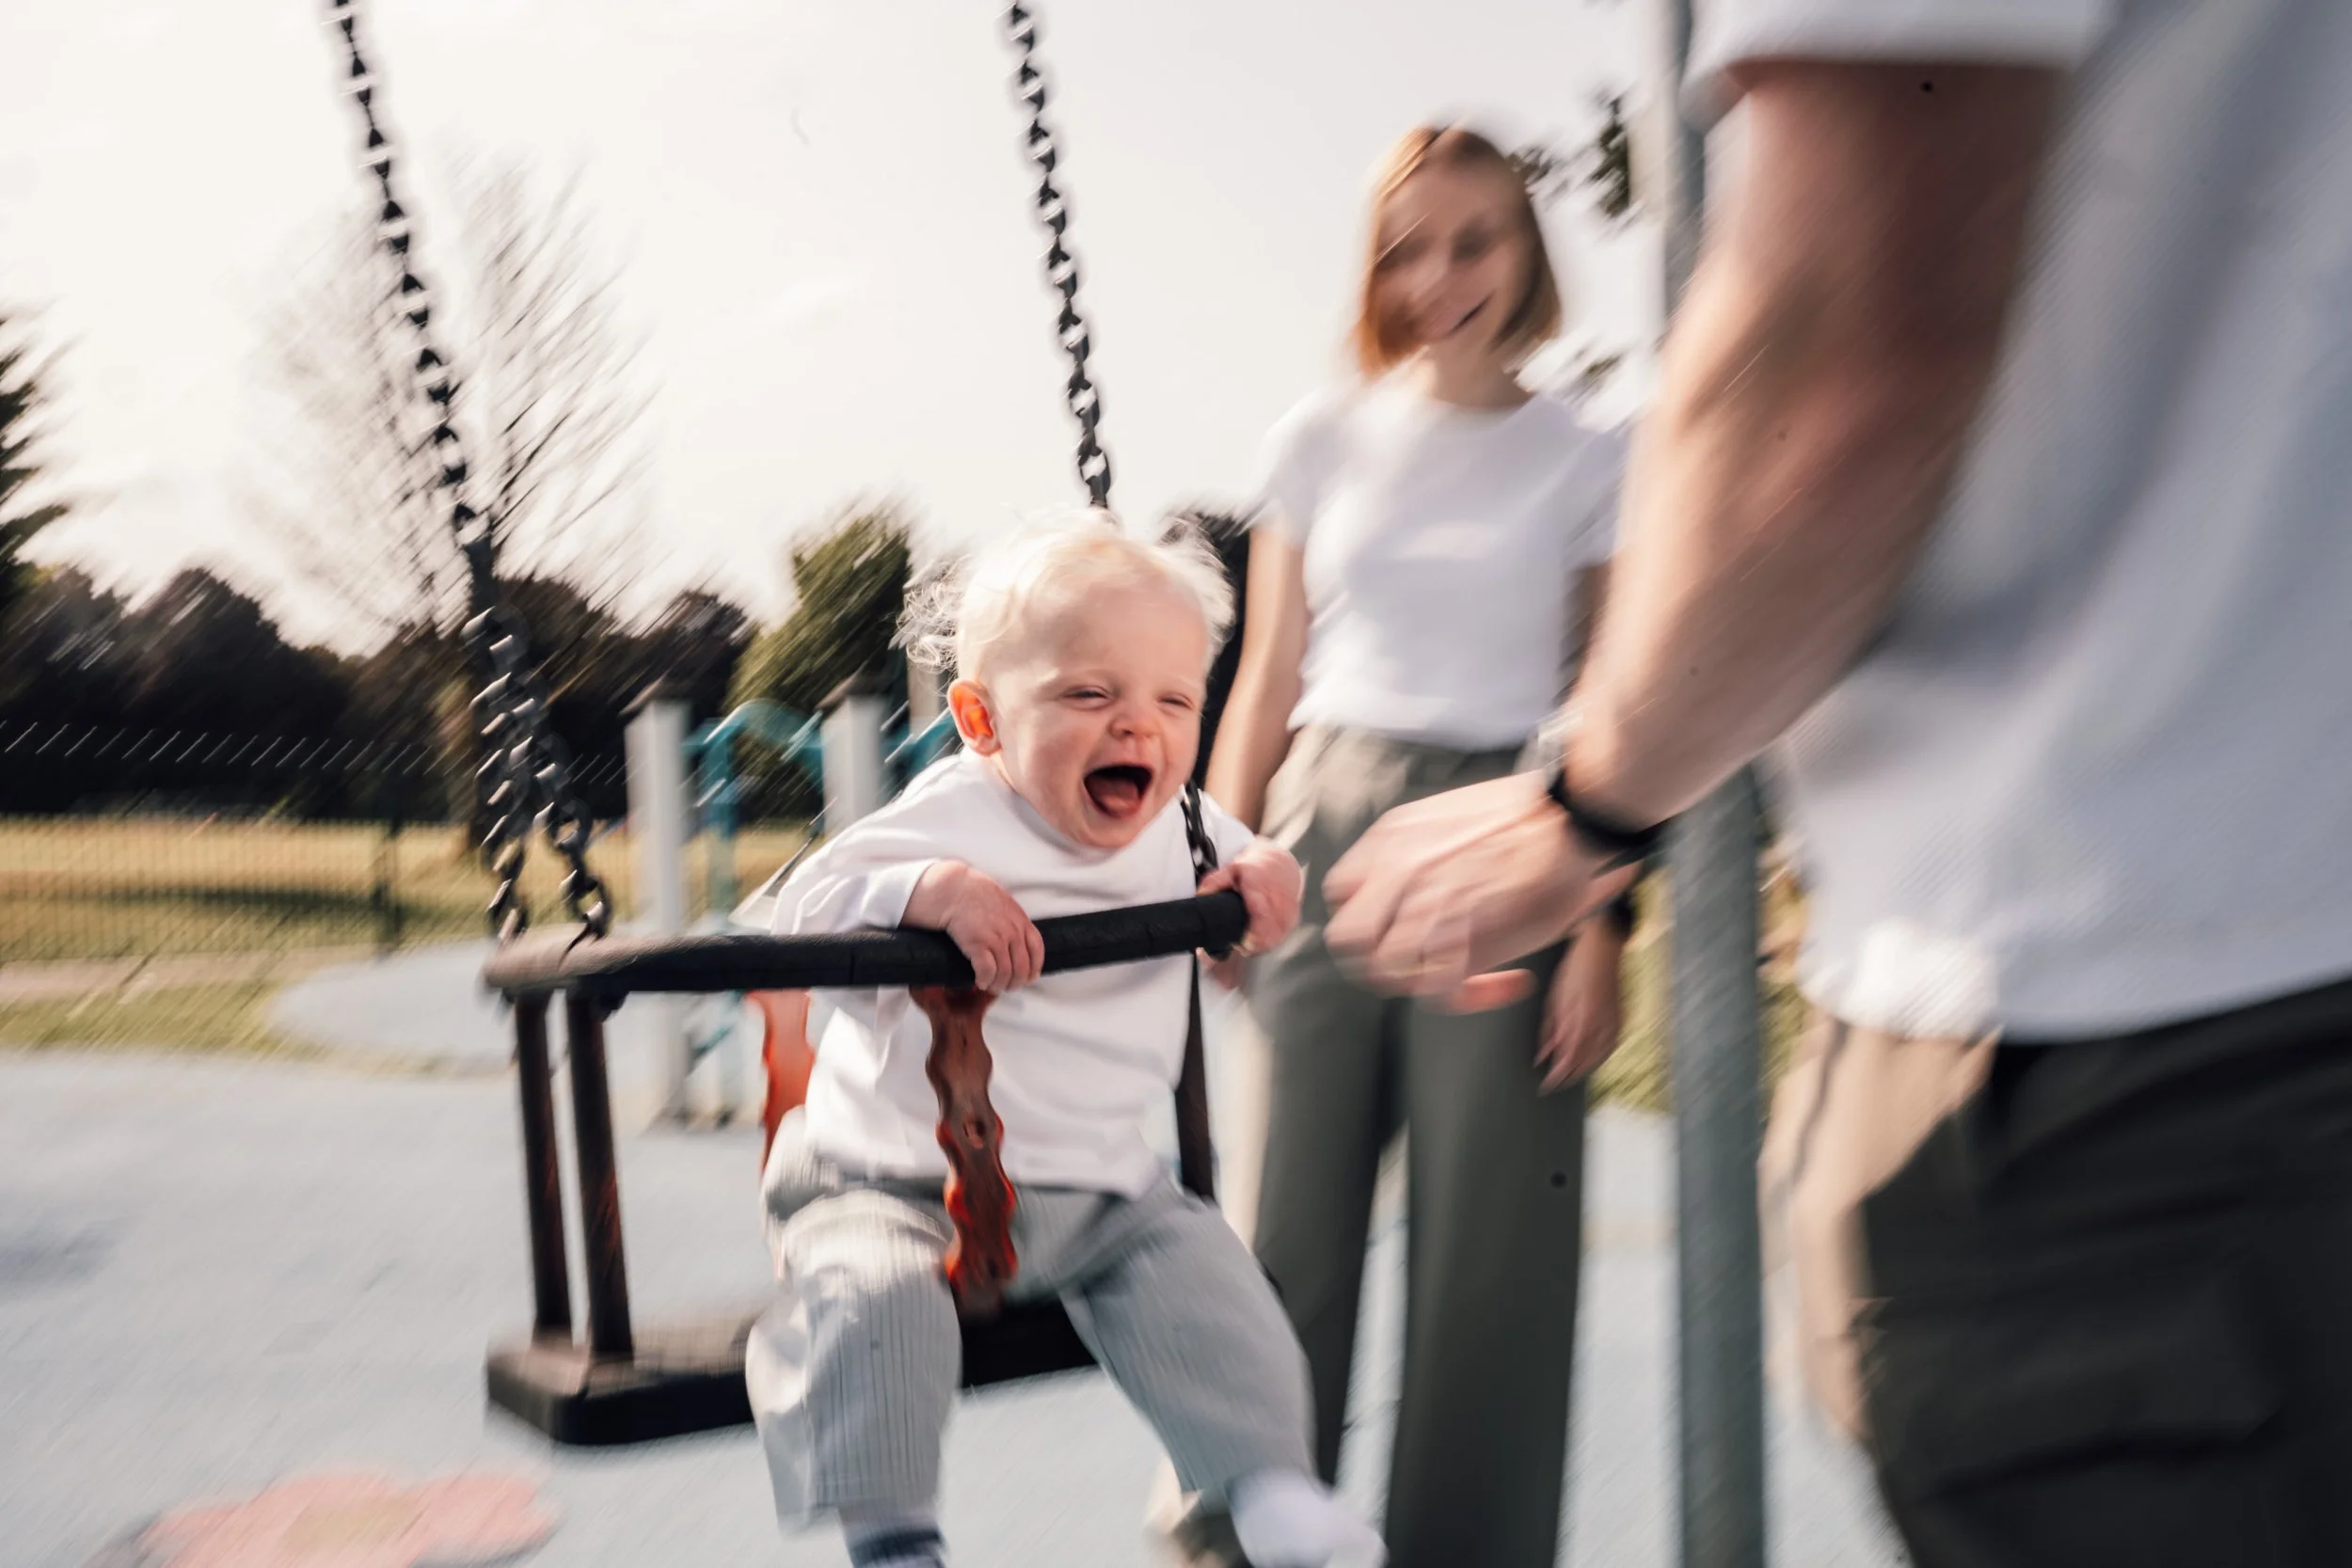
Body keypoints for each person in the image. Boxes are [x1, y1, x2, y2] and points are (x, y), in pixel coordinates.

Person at [1319, 3, 2352, 1563]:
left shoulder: (1573, 449)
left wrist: (1592, 813)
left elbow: (1850, 334)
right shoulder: (1329, 439)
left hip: (2117, 1007)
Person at [743, 516, 1386, 1568]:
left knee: (1212, 1279)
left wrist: (1263, 877)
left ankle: (1272, 1486)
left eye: (1173, 701)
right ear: (981, 719)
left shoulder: (1181, 821)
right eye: (1089, 694)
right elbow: (807, 907)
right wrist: (931, 890)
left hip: (1100, 1192)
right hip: (887, 1180)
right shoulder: (951, 815)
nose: (1137, 724)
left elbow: (1249, 866)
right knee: (868, 1306)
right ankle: (893, 1536)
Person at [1175, 126, 1631, 1568]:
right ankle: (1237, 1536)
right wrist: (1220, 856)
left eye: (1474, 240)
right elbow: (1267, 671)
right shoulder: (1318, 439)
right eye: (1407, 250)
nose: (1441, 276)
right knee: (1279, 1231)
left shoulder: (1591, 451)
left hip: (1510, 840)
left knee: (1493, 1254)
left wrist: (1600, 925)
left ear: (1528, 250)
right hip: (1320, 820)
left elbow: (1601, 694)